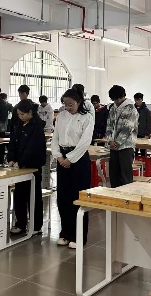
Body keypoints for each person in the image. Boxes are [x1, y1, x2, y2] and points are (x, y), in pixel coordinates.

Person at [51, 88, 94, 249]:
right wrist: (59, 156)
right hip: (62, 158)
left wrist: (71, 159)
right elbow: (55, 138)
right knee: (63, 197)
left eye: (71, 104)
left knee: (78, 197)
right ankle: (65, 233)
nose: (68, 107)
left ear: (79, 102)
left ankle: (79, 236)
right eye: (65, 104)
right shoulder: (61, 116)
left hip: (79, 159)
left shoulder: (87, 117)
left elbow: (85, 142)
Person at [8, 99, 47, 235]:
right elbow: (13, 142)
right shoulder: (18, 124)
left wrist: (22, 162)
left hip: (33, 166)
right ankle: (21, 224)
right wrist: (11, 158)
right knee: (19, 195)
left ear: (30, 113)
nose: (20, 117)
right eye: (18, 114)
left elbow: (33, 148)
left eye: (22, 114)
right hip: (19, 167)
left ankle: (36, 226)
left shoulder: (37, 127)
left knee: (33, 196)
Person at [106, 85, 138, 187]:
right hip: (113, 147)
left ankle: (127, 195)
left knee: (125, 176)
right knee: (114, 175)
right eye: (113, 100)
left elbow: (128, 128)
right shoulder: (112, 108)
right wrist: (110, 140)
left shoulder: (131, 109)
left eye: (117, 99)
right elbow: (109, 125)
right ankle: (115, 194)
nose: (115, 102)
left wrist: (117, 142)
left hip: (126, 146)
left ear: (122, 96)